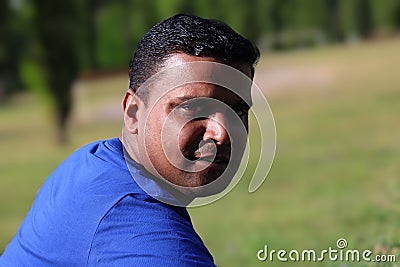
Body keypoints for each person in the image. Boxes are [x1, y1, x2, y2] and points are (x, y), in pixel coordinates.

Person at [0, 13, 259, 266]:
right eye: (192, 108)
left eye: (238, 112)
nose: (222, 132)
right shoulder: (158, 245)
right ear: (133, 112)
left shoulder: (95, 160)